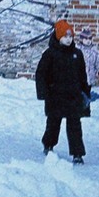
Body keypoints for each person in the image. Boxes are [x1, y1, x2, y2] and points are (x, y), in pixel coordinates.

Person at [35, 19, 90, 163]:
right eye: (65, 36)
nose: (68, 39)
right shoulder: (50, 54)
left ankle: (77, 154)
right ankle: (48, 144)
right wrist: (44, 92)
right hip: (55, 96)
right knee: (53, 123)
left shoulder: (77, 54)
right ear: (58, 36)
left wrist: (85, 93)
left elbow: (82, 75)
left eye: (70, 36)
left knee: (75, 126)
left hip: (73, 96)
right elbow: (41, 74)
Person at [76, 26, 99, 101]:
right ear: (82, 39)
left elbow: (98, 62)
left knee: (87, 92)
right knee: (80, 95)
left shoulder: (94, 50)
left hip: (91, 77)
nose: (88, 41)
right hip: (79, 78)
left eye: (90, 39)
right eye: (86, 39)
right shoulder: (77, 50)